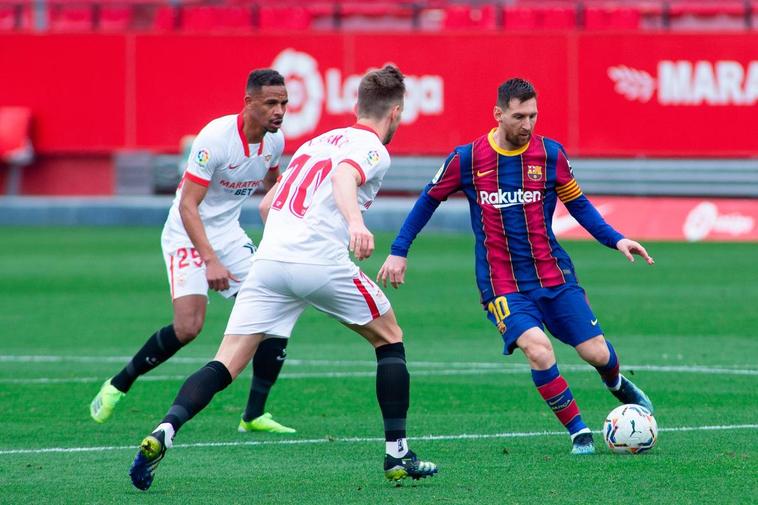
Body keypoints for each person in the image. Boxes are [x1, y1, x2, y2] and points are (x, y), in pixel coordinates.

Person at [128, 65, 438, 491]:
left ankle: (164, 430)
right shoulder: (372, 148)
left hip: (271, 261)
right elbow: (346, 176)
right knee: (390, 337)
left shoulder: (316, 142)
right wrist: (354, 224)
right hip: (319, 261)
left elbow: (267, 205)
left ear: (354, 106)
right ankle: (398, 454)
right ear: (397, 112)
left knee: (225, 362)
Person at [378, 77, 655, 455]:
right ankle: (579, 432)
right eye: (519, 116)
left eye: (533, 116)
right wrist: (399, 250)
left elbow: (579, 206)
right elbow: (428, 200)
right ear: (498, 114)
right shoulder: (467, 159)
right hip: (502, 283)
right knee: (539, 350)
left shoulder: (551, 155)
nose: (527, 125)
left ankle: (616, 383)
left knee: (596, 354)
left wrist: (616, 239)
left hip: (554, 275)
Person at [90, 69, 295, 435]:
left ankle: (253, 415)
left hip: (228, 234)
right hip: (186, 232)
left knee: (275, 304)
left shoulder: (274, 143)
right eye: (271, 103)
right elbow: (188, 206)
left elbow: (273, 187)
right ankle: (118, 384)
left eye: (283, 103)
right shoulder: (215, 139)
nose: (279, 111)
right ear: (249, 103)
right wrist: (210, 259)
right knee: (189, 327)